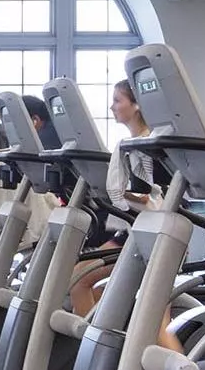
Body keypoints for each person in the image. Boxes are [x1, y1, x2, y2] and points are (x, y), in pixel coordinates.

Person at [69, 79, 157, 314]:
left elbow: (147, 197)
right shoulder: (127, 144)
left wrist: (111, 189)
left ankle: (89, 348)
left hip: (146, 234)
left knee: (78, 279)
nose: (112, 107)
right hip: (128, 231)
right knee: (86, 284)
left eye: (117, 100)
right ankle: (104, 346)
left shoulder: (146, 143)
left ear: (136, 105)